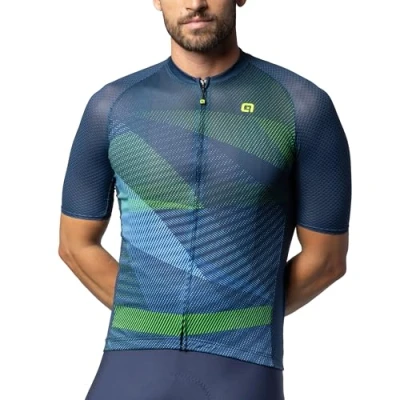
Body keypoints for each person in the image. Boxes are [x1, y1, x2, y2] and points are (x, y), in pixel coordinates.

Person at [58, 0, 352, 399]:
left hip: (243, 373)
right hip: (130, 367)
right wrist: (152, 318)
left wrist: (234, 320)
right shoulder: (112, 107)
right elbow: (75, 244)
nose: (195, 3)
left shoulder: (302, 106)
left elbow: (326, 260)